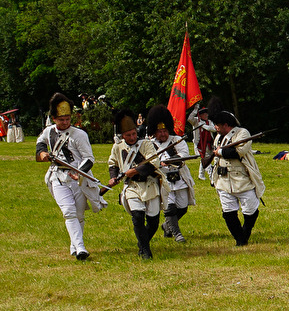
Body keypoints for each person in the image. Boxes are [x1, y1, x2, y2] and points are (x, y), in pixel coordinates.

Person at [35, 92, 104, 260]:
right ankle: (80, 248)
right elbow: (40, 146)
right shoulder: (48, 131)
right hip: (58, 177)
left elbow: (89, 158)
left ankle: (74, 244)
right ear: (53, 118)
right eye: (61, 119)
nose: (65, 122)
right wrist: (43, 154)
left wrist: (79, 173)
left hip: (78, 177)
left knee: (79, 215)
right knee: (68, 212)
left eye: (67, 119)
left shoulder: (80, 135)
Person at [107, 109, 165, 259]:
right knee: (138, 217)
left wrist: (135, 170)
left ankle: (142, 244)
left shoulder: (145, 144)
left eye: (133, 134)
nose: (132, 137)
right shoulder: (117, 147)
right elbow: (113, 164)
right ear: (122, 135)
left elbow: (154, 163)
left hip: (150, 184)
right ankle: (146, 252)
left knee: (153, 222)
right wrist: (113, 177)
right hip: (131, 186)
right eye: (128, 135)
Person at [207, 110, 266, 245]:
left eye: (218, 125)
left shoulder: (242, 133)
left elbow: (238, 152)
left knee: (251, 211)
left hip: (242, 179)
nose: (216, 127)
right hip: (223, 180)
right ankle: (240, 240)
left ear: (226, 125)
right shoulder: (219, 137)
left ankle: (245, 233)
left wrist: (220, 152)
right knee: (228, 212)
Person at [147, 106, 197, 242]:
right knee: (169, 207)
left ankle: (167, 226)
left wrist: (170, 161)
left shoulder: (177, 141)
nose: (163, 134)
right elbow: (150, 161)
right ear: (154, 132)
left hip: (179, 178)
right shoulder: (149, 145)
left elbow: (183, 156)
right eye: (159, 131)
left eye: (165, 131)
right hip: (163, 180)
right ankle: (177, 234)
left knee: (182, 207)